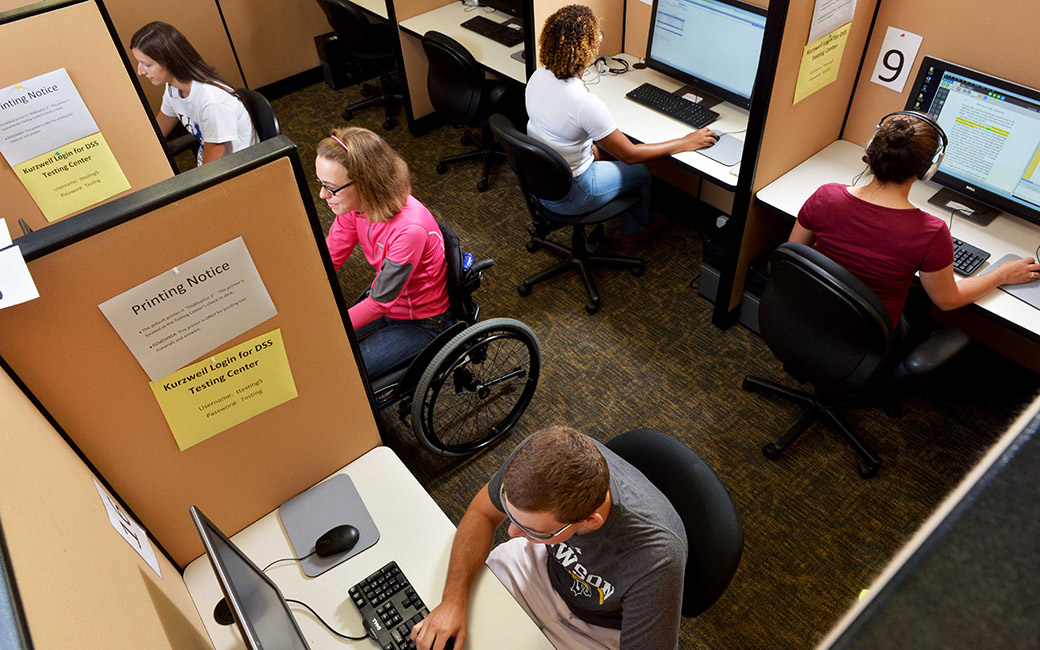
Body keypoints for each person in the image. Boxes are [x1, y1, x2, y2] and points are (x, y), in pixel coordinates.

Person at [411, 425, 687, 650]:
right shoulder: (539, 456)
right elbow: (482, 513)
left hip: (600, 630)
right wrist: (452, 602)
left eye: (534, 530)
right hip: (540, 571)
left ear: (590, 520)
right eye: (512, 516)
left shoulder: (657, 556)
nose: (511, 533)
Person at [791, 111, 1040, 334]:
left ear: (871, 149)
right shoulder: (930, 233)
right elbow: (947, 300)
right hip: (866, 338)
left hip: (809, 314)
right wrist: (1001, 274)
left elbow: (793, 255)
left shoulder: (826, 195)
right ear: (927, 170)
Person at [526, 5, 718, 245]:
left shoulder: (537, 77)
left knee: (605, 151)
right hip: (574, 192)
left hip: (543, 183)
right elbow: (631, 155)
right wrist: (685, 142)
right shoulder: (584, 103)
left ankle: (631, 222)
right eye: (597, 38)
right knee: (641, 172)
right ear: (587, 49)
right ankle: (638, 229)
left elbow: (557, 132)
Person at [317, 127, 454, 378]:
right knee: (323, 351)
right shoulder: (355, 208)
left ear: (366, 183)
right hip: (390, 305)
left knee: (345, 373)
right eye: (321, 184)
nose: (322, 195)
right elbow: (328, 257)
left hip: (422, 322)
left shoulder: (409, 230)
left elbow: (378, 303)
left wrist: (331, 327)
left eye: (331, 187)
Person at [131, 21, 258, 166]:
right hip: (214, 166)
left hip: (238, 171)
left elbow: (212, 172)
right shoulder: (173, 89)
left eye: (147, 65)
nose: (140, 71)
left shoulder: (212, 101)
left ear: (169, 61)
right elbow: (156, 133)